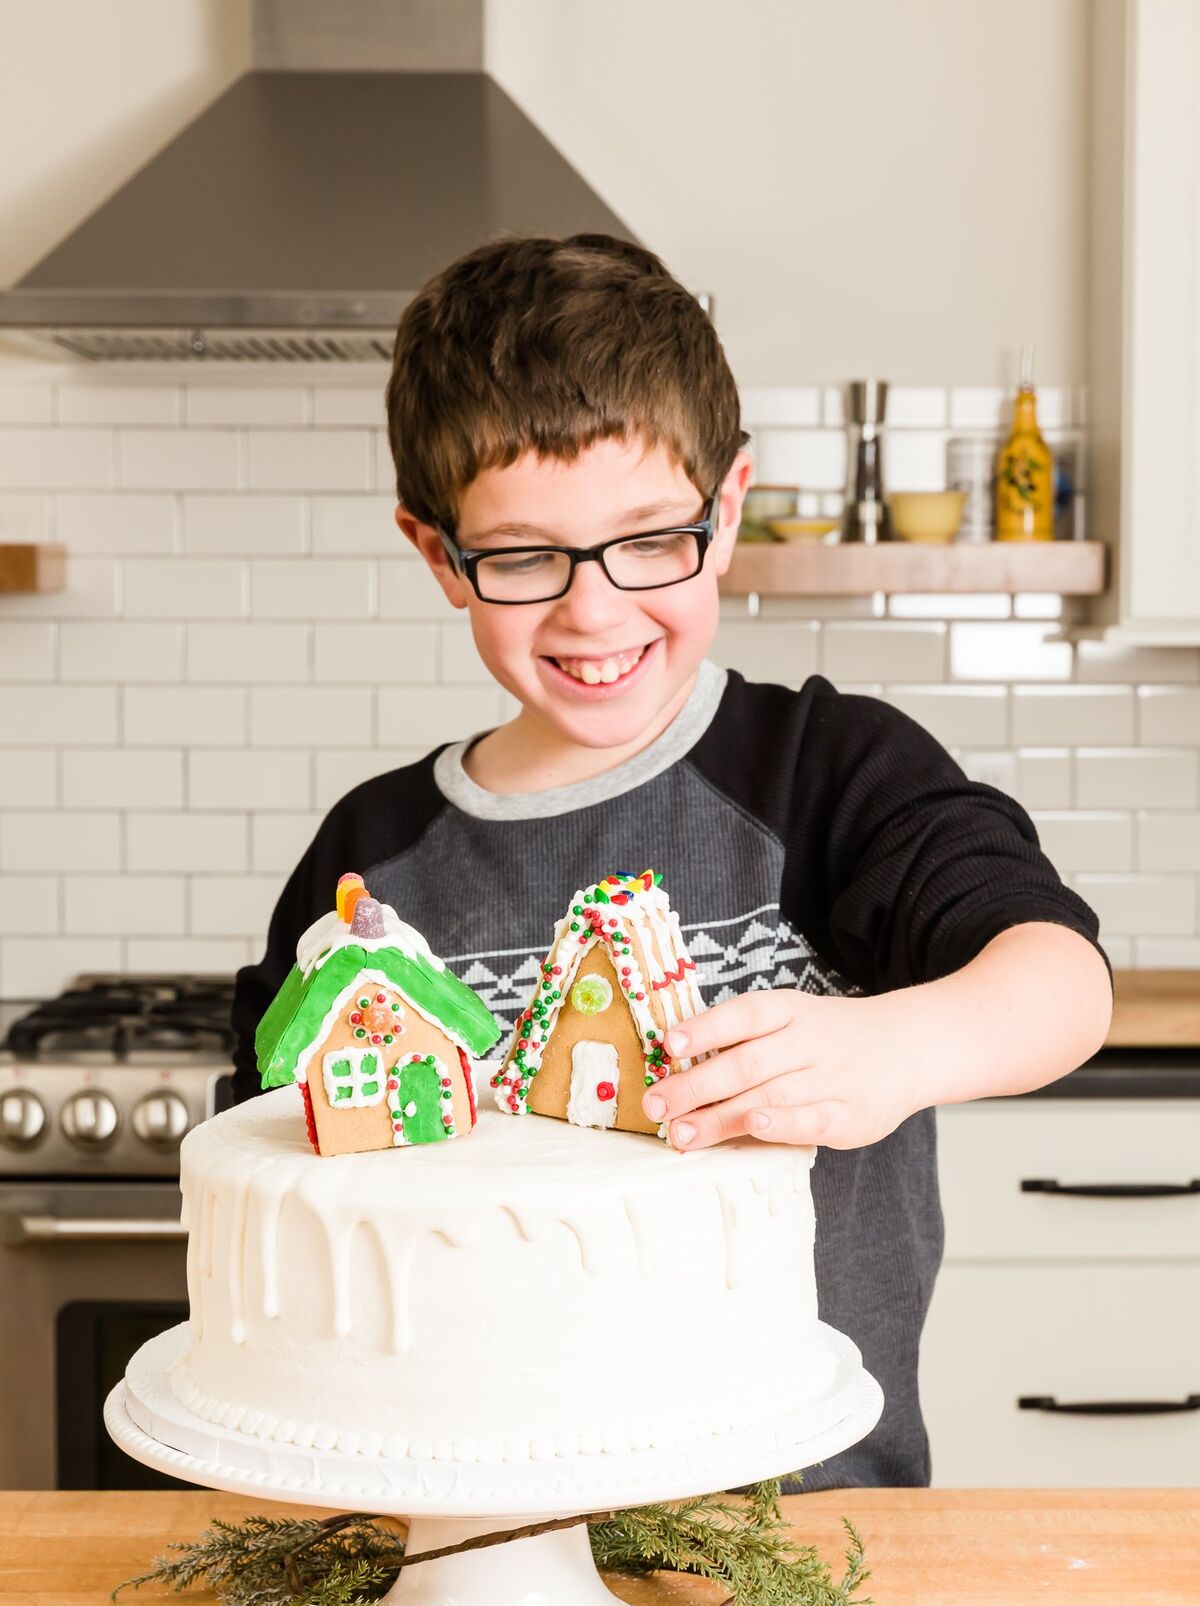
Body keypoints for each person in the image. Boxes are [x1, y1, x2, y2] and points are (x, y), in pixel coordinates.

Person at [230, 233, 1112, 1489]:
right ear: (439, 557)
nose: (595, 611)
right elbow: (275, 1162)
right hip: (454, 1532)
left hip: (804, 1533)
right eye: (525, 557)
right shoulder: (371, 859)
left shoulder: (824, 770)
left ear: (729, 506)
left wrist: (892, 1048)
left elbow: (1060, 980)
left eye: (650, 540)